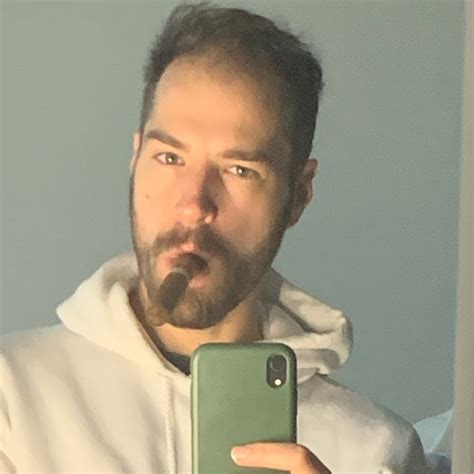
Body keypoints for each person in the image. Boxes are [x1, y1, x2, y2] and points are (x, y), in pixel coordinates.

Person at [0, 3, 430, 473]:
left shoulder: (376, 451)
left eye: (239, 169)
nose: (194, 206)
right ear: (136, 158)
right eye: (169, 158)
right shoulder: (12, 401)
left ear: (299, 193)